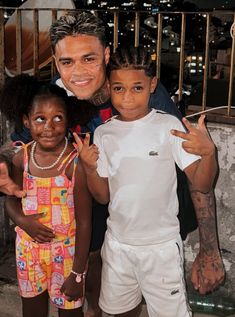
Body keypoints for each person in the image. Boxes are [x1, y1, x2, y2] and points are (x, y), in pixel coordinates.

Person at [0, 10, 224, 316]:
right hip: (95, 193)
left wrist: (210, 251)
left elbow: (194, 165)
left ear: (106, 55)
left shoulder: (142, 93)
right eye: (67, 62)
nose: (78, 72)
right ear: (55, 61)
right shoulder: (56, 95)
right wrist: (5, 163)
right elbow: (18, 142)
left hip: (151, 208)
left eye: (88, 58)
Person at [75, 46, 218, 317]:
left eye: (137, 88)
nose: (127, 98)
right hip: (118, 245)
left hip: (161, 248)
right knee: (119, 312)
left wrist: (208, 153)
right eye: (118, 89)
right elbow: (103, 196)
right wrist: (90, 168)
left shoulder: (168, 127)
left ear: (152, 85)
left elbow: (202, 183)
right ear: (108, 86)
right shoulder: (104, 133)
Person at [2, 74, 92, 317]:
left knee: (71, 313)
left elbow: (84, 222)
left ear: (68, 120)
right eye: (40, 119)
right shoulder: (22, 158)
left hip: (67, 257)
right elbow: (11, 199)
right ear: (27, 121)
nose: (49, 127)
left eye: (57, 118)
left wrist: (78, 274)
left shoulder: (75, 165)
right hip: (28, 254)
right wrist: (22, 221)